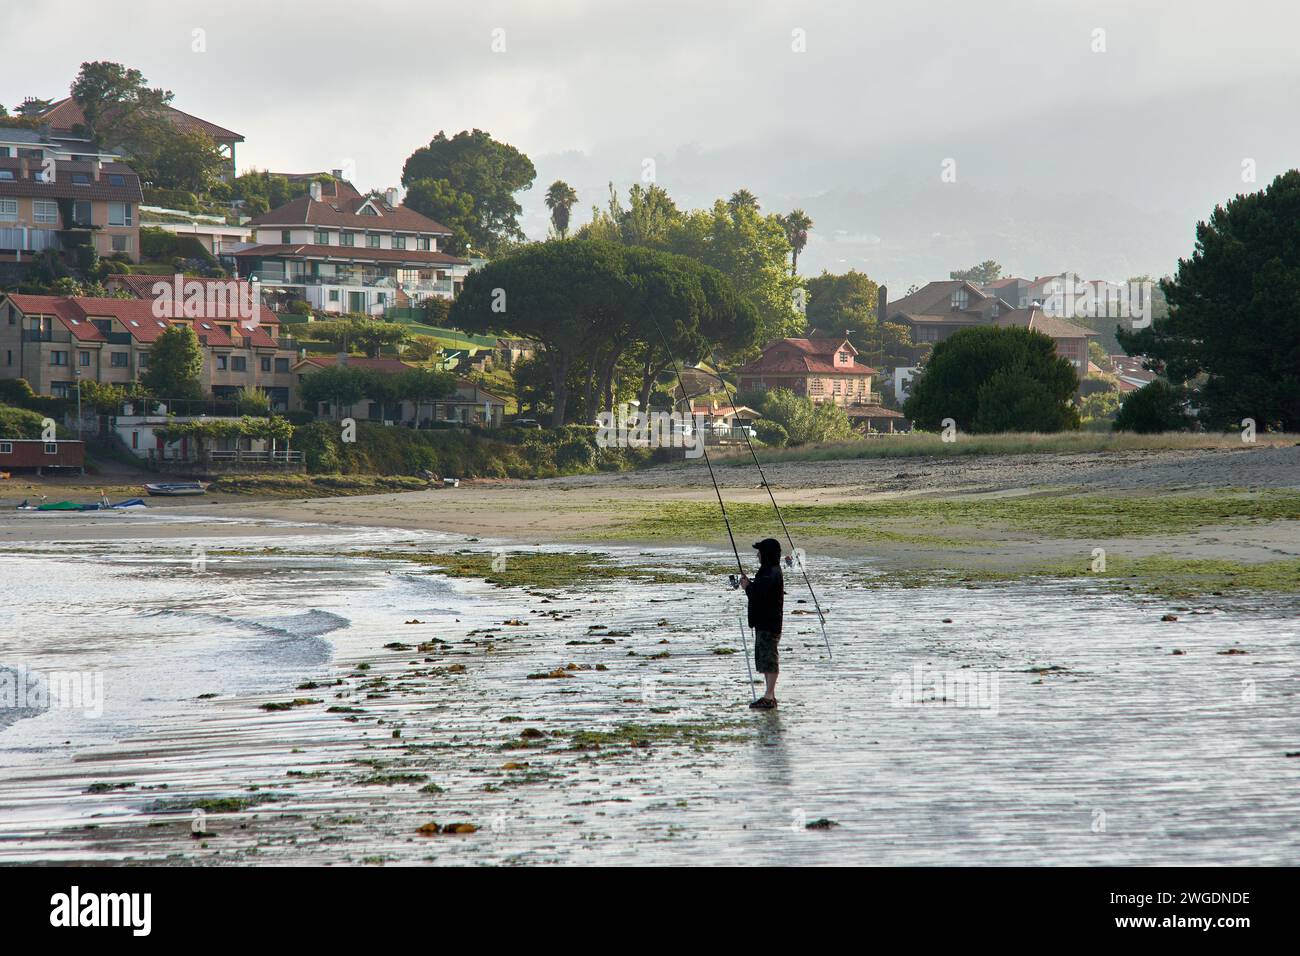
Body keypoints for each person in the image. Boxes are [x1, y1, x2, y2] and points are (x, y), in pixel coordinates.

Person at [739, 538, 784, 709]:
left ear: (766, 554)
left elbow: (759, 595)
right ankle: (769, 694)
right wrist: (749, 584)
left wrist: (747, 587)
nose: (757, 555)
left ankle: (769, 695)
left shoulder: (771, 572)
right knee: (765, 660)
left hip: (769, 623)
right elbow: (759, 591)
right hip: (765, 622)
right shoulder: (768, 571)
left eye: (760, 552)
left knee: (770, 659)